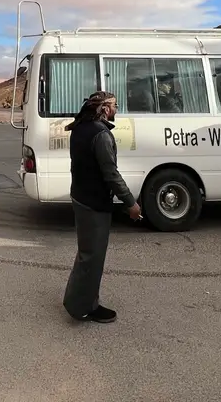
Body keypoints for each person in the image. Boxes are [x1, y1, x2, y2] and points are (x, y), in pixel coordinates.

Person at [62, 91, 142, 324]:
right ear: (105, 109)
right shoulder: (101, 135)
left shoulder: (79, 128)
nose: (117, 110)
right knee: (92, 257)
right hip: (94, 203)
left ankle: (80, 301)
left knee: (87, 254)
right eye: (115, 105)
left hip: (81, 197)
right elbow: (111, 175)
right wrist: (131, 203)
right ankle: (82, 308)